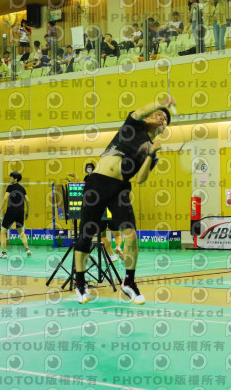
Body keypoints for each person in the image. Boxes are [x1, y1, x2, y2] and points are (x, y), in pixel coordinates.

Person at [71, 95, 176, 305]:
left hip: (120, 188)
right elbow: (141, 110)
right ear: (148, 117)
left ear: (164, 128)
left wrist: (151, 154)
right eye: (158, 114)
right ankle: (80, 283)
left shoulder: (153, 151)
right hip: (98, 183)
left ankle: (129, 282)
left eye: (165, 118)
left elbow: (140, 179)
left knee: (131, 234)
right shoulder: (133, 126)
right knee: (86, 235)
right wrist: (161, 103)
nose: (161, 118)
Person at [67, 163, 123, 263]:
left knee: (102, 236)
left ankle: (112, 255)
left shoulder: (92, 181)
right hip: (111, 211)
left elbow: (81, 187)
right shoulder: (107, 180)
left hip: (101, 212)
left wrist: (76, 177)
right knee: (117, 235)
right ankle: (118, 247)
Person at [0, 171, 31, 259]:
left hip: (11, 212)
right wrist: (27, 212)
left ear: (15, 179)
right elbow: (28, 201)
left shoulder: (10, 187)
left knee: (3, 232)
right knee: (21, 232)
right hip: (20, 212)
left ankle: (4, 253)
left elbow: (5, 199)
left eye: (11, 177)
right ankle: (27, 249)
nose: (9, 179)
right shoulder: (22, 188)